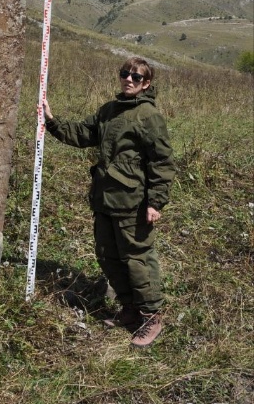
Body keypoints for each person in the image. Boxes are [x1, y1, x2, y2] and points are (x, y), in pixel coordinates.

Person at [43, 56, 175, 348]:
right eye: (125, 74)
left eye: (136, 77)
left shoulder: (148, 116)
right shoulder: (109, 110)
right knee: (108, 256)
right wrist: (51, 122)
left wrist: (156, 202)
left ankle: (151, 317)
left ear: (146, 84)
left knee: (138, 260)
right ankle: (129, 310)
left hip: (133, 203)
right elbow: (83, 134)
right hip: (104, 199)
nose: (129, 79)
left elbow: (162, 161)